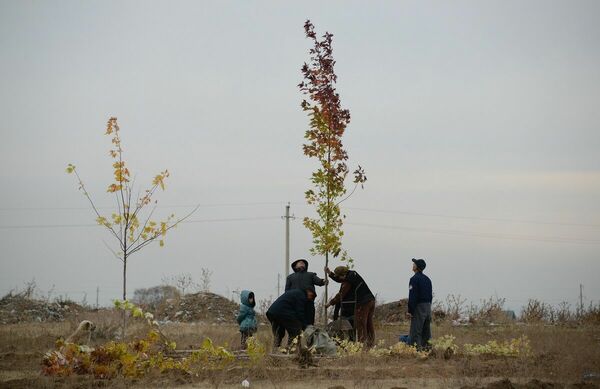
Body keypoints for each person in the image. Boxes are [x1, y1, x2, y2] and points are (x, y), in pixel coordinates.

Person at [325, 266, 376, 348]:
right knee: (368, 324)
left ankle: (361, 347)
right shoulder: (351, 274)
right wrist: (330, 273)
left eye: (339, 276)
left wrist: (330, 303)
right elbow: (340, 279)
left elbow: (341, 295)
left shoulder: (348, 281)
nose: (339, 279)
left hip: (362, 303)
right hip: (371, 300)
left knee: (361, 324)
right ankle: (370, 345)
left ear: (343, 274)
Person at [285, 258, 327, 325]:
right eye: (299, 262)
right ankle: (297, 335)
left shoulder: (311, 275)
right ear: (295, 266)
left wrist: (324, 281)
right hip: (295, 303)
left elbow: (319, 281)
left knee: (309, 322)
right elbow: (287, 291)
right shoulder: (290, 277)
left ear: (306, 266)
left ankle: (309, 334)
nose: (302, 263)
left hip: (308, 301)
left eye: (303, 263)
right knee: (296, 322)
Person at [407, 258, 432, 351]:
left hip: (419, 307)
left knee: (416, 331)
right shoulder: (428, 279)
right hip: (428, 307)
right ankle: (427, 350)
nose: (413, 265)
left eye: (414, 264)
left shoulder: (414, 279)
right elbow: (430, 295)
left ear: (417, 267)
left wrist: (410, 310)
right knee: (426, 331)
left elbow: (413, 296)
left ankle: (415, 351)